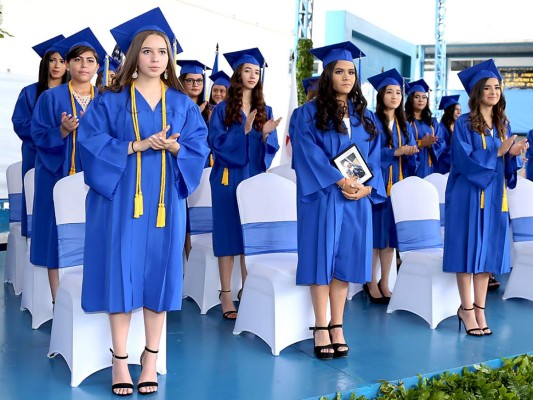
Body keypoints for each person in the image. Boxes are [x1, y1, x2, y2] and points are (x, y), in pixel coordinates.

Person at [78, 8, 209, 396]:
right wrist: (134, 145)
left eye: (163, 52)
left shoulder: (182, 103)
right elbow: (89, 143)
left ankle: (150, 358)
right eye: (149, 51)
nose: (156, 58)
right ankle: (120, 361)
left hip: (165, 202)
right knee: (121, 274)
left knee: (159, 275)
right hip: (121, 200)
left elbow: (199, 145)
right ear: (135, 56)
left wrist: (177, 147)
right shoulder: (110, 101)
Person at [290, 42, 386, 359]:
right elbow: (307, 154)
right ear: (328, 74)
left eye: (352, 72)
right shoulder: (306, 114)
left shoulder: (366, 117)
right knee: (321, 258)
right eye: (341, 71)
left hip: (355, 200)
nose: (347, 77)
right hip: (323, 197)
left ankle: (338, 324)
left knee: (345, 261)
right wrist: (340, 179)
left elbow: (375, 159)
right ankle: (320, 326)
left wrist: (368, 189)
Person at [443, 59, 528, 336]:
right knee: (468, 251)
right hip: (468, 195)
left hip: (493, 197)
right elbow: (461, 160)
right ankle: (466, 309)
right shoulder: (465, 123)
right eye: (488, 88)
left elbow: (506, 165)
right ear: (477, 92)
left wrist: (513, 155)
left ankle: (480, 308)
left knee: (488, 252)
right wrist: (499, 153)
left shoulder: (503, 123)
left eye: (497, 87)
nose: (494, 92)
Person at [30, 27, 104, 303]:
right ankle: (58, 301)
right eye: (77, 60)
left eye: (90, 60)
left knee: (94, 237)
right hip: (57, 176)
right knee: (56, 238)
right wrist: (61, 132)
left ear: (97, 66)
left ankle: (90, 296)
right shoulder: (51, 97)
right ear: (68, 64)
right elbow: (37, 135)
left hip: (94, 182)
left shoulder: (104, 99)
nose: (83, 65)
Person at [209, 47, 280, 320]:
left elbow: (269, 149)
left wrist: (264, 136)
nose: (253, 75)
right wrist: (244, 130)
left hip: (253, 179)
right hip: (228, 179)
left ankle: (246, 289)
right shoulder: (223, 109)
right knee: (228, 235)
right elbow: (215, 143)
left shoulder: (266, 110)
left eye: (257, 72)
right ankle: (225, 292)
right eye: (248, 71)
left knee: (248, 236)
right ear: (238, 74)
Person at [367, 68, 419, 303]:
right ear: (381, 95)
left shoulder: (403, 124)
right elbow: (367, 153)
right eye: (390, 92)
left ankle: (385, 281)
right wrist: (394, 152)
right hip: (377, 187)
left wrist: (411, 152)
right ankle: (370, 281)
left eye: (398, 92)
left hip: (396, 187)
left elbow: (411, 157)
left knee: (390, 240)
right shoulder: (370, 120)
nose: (395, 96)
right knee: (376, 238)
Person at [12, 34, 68, 237]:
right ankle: (35, 238)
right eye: (52, 60)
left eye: (62, 61)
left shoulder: (71, 93)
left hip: (65, 154)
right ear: (45, 63)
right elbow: (21, 123)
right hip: (36, 154)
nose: (56, 65)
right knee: (37, 196)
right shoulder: (29, 92)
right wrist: (50, 135)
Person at [405, 79, 445, 178]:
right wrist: (420, 144)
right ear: (410, 99)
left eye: (424, 97)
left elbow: (442, 142)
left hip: (429, 166)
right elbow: (401, 143)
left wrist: (432, 144)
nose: (421, 100)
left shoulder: (432, 122)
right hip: (410, 166)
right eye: (417, 97)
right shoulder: (404, 121)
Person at [436, 94, 461, 174]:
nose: (459, 112)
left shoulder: (459, 127)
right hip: (444, 165)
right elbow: (440, 148)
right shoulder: (441, 128)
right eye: (456, 109)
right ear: (449, 111)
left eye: (460, 109)